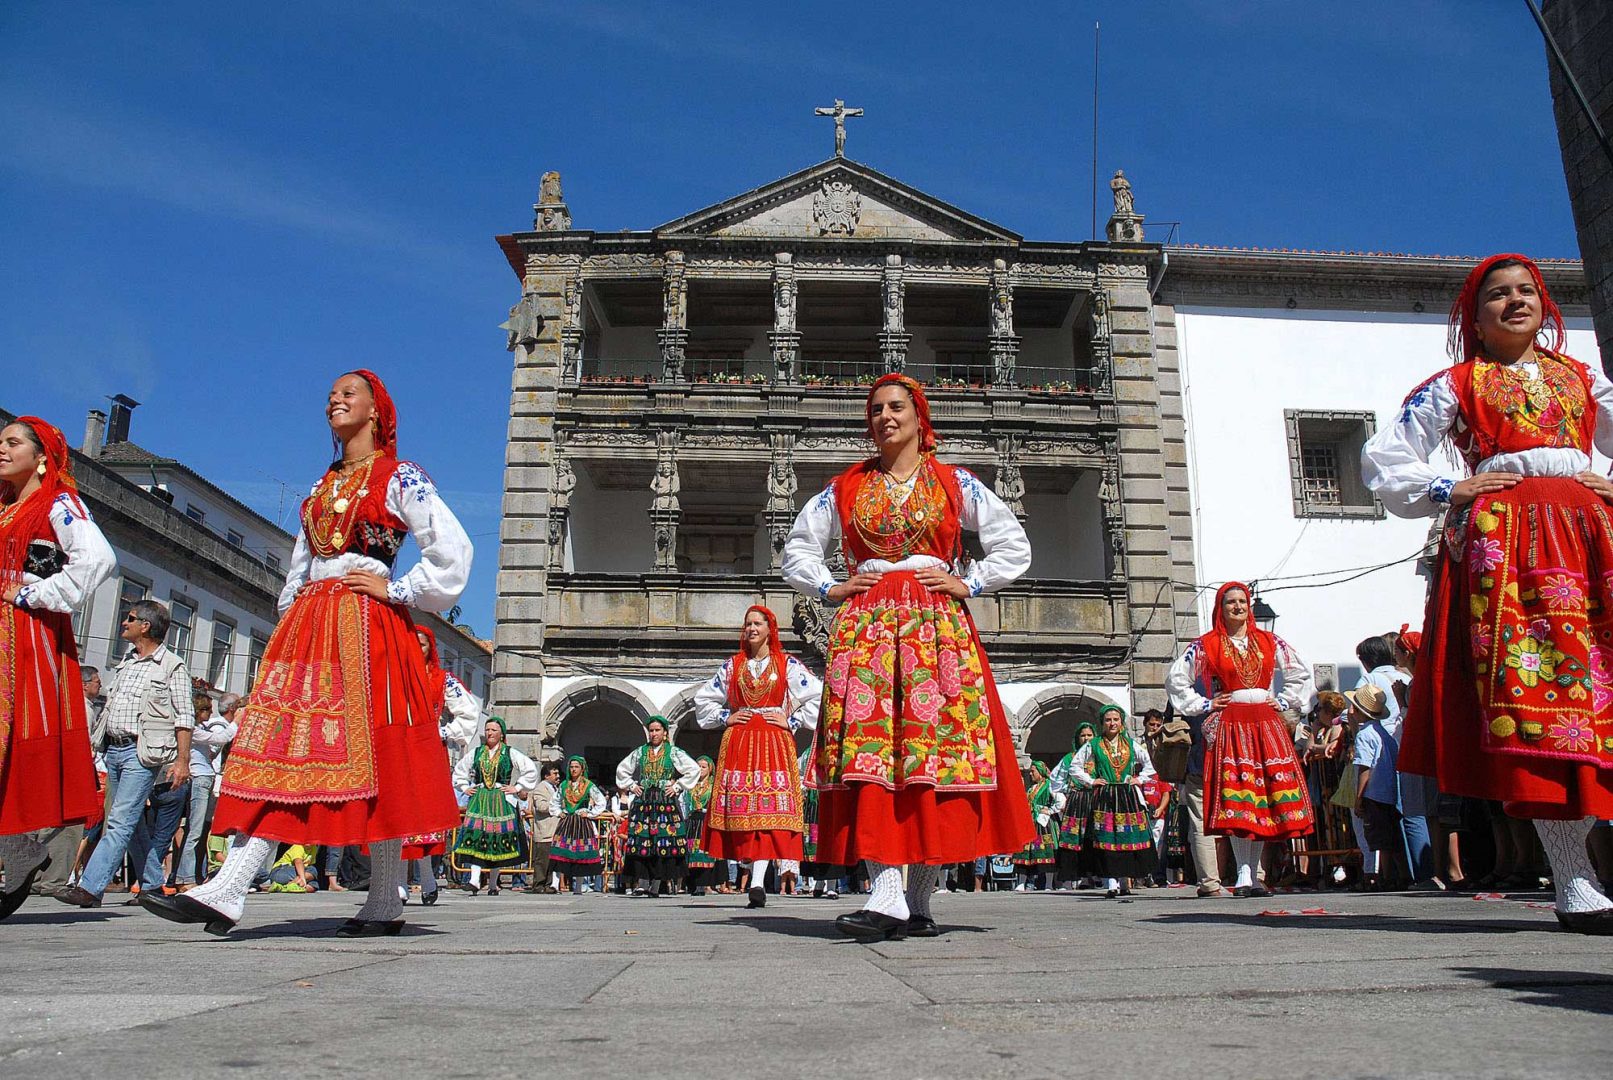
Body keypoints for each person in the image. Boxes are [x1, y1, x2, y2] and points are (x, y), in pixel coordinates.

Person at [141, 370, 473, 937]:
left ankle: (239, 886)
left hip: (366, 626)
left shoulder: (400, 476)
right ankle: (246, 887)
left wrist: (397, 589)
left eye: (349, 393)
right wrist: (291, 615)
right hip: (312, 626)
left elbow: (453, 549)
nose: (335, 400)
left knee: (364, 755)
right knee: (291, 746)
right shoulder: (319, 490)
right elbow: (299, 567)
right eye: (330, 396)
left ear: (377, 411)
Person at [1361, 253, 1613, 932]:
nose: (1514, 302)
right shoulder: (1455, 384)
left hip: (1590, 537)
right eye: (1497, 295)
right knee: (1541, 703)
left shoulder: (1583, 381)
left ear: (1545, 304)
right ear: (1474, 316)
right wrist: (1450, 486)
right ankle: (1573, 878)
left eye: (1525, 291)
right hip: (1505, 550)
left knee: (1598, 693)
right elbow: (1386, 460)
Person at [782, 373, 1035, 941]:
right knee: (873, 752)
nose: (885, 417)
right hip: (869, 626)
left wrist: (968, 582)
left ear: (920, 416)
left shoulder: (954, 482)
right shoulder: (845, 487)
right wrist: (827, 587)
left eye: (896, 407)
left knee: (931, 752)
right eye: (875, 410)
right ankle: (888, 893)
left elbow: (1012, 543)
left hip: (935, 628)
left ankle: (917, 899)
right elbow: (797, 548)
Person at [0, 417, 117, 920]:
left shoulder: (58, 504)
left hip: (22, 637)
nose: (1, 450)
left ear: (42, 455)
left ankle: (22, 848)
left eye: (11, 443)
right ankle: (20, 850)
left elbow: (97, 560)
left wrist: (33, 594)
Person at [1166, 582, 1317, 898]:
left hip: (1264, 721)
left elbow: (1300, 673)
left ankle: (1250, 875)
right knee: (1241, 796)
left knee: (1261, 796)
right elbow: (1177, 679)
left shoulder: (1268, 641)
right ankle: (1245, 874)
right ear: (1220, 608)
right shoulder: (1207, 645)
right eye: (1230, 602)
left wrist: (1286, 701)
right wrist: (1206, 704)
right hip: (1232, 723)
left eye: (1242, 601)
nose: (1238, 607)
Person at [55, 598, 195, 908]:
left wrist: (182, 761)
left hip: (140, 753)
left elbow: (185, 717)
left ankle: (90, 888)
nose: (124, 622)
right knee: (131, 825)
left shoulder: (172, 666)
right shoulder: (127, 662)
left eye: (130, 618)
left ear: (145, 626)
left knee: (119, 822)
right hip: (113, 751)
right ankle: (154, 883)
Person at [693, 604, 822, 909]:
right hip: (739, 740)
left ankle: (758, 882)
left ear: (769, 629)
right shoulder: (732, 665)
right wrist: (726, 715)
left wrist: (791, 719)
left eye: (758, 624)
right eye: (748, 624)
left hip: (774, 742)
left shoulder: (786, 664)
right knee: (743, 812)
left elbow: (817, 694)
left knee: (767, 810)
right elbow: (704, 699)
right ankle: (753, 877)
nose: (751, 629)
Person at [401, 625, 483, 902]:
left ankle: (426, 879)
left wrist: (442, 732)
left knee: (423, 818)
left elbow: (469, 712)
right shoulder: (394, 676)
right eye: (412, 643)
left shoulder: (442, 680)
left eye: (422, 645)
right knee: (398, 817)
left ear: (430, 649)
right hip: (397, 750)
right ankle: (398, 881)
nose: (416, 649)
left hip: (426, 753)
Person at [1068, 705, 1158, 897]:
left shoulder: (1131, 744)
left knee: (1127, 838)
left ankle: (1125, 881)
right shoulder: (1094, 745)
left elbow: (1150, 765)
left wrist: (1138, 779)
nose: (1112, 723)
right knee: (1107, 839)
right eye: (1108, 720)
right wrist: (1091, 781)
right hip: (1106, 795)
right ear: (1102, 724)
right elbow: (1075, 766)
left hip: (1126, 795)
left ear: (1121, 722)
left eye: (1116, 719)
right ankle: (1111, 882)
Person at [615, 717, 699, 897]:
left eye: (657, 730)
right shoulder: (641, 752)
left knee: (662, 840)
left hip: (664, 801)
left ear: (665, 732)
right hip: (644, 801)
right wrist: (632, 786)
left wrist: (676, 786)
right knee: (643, 840)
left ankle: (658, 884)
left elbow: (693, 769)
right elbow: (622, 769)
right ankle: (642, 883)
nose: (653, 734)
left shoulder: (673, 752)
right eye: (651, 731)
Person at [453, 717, 537, 895]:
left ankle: (492, 884)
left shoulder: (509, 752)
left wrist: (518, 787)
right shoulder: (476, 752)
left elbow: (529, 768)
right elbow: (460, 770)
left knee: (497, 840)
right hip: (480, 798)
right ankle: (475, 880)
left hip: (500, 799)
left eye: (493, 730)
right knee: (476, 837)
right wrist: (465, 787)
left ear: (501, 734)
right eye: (487, 729)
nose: (489, 733)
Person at [1347, 684, 1413, 890]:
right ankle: (1402, 874)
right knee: (1392, 837)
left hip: (1373, 793)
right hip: (1390, 792)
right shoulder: (1385, 735)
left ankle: (1386, 877)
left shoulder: (1364, 735)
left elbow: (1365, 768)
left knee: (1380, 839)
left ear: (1358, 711)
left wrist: (1359, 798)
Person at [176, 693, 240, 890]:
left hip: (206, 776)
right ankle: (185, 877)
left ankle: (192, 873)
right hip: (200, 778)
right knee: (194, 830)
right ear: (199, 711)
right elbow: (222, 737)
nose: (212, 713)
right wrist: (238, 720)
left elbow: (210, 749)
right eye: (207, 709)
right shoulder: (192, 730)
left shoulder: (201, 729)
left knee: (201, 830)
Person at [1048, 721, 1097, 889]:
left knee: (1096, 838)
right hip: (1076, 802)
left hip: (1097, 800)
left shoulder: (1099, 755)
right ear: (1077, 738)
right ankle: (1075, 878)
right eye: (1082, 735)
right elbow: (1055, 780)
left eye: (1089, 735)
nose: (1086, 738)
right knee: (1075, 840)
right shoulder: (1069, 758)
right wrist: (1061, 799)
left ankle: (1099, 876)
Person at [552, 756, 607, 893]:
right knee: (559, 851)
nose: (573, 769)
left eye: (576, 767)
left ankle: (578, 887)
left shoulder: (589, 785)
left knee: (581, 854)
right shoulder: (564, 785)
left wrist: (589, 813)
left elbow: (601, 802)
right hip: (567, 822)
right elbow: (555, 801)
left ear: (582, 769)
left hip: (582, 823)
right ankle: (554, 884)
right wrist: (559, 812)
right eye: (571, 767)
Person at [1012, 761, 1063, 890]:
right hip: (1031, 823)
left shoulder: (1050, 786)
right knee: (1025, 851)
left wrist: (1049, 810)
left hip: (1044, 824)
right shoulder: (1031, 789)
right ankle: (1021, 882)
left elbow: (1061, 801)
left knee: (1046, 851)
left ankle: (1048, 883)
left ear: (1040, 772)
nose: (1030, 774)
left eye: (1033, 771)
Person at [682, 757, 725, 896]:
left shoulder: (714, 786)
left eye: (703, 767)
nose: (700, 769)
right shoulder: (690, 785)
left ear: (710, 769)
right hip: (693, 822)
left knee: (706, 852)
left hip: (707, 820)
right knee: (692, 852)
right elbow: (684, 804)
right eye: (698, 766)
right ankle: (694, 884)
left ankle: (707, 884)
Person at [524, 762, 563, 894]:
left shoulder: (556, 788)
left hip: (555, 830)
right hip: (545, 830)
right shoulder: (541, 788)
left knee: (551, 861)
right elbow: (541, 806)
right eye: (555, 773)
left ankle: (548, 884)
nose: (558, 776)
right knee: (542, 860)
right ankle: (538, 884)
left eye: (558, 773)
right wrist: (557, 807)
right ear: (546, 776)